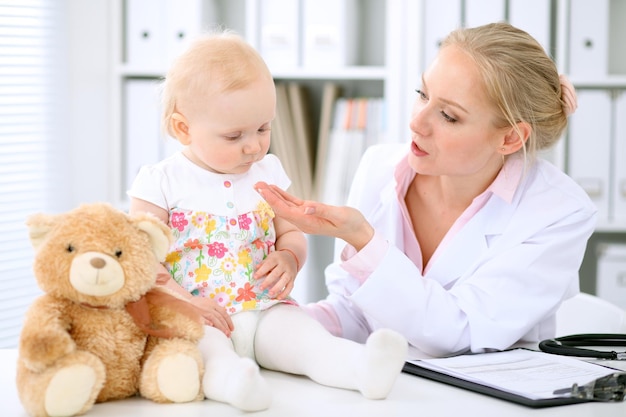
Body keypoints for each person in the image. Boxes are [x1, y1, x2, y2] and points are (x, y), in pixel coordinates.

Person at [255, 22, 596, 359]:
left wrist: (364, 240)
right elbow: (355, 313)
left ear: (509, 138)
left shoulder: (559, 212)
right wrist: (264, 325)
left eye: (448, 116)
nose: (416, 122)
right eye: (422, 95)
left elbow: (461, 332)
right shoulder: (379, 167)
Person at [127, 30, 407, 412]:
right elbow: (142, 261)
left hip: (265, 307)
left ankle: (361, 368)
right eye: (234, 135)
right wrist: (183, 304)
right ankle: (236, 384)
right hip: (200, 315)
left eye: (263, 128)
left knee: (308, 340)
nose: (254, 146)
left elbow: (289, 232)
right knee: (208, 353)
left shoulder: (268, 171)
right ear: (183, 128)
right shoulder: (160, 181)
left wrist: (290, 257)